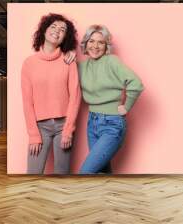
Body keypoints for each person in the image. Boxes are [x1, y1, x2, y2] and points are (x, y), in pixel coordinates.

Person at [78, 25, 144, 174]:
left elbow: (136, 84)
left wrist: (126, 106)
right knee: (102, 173)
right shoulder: (81, 67)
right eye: (91, 41)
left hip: (112, 124)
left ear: (106, 46)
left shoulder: (112, 61)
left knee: (86, 173)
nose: (95, 46)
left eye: (100, 42)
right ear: (85, 43)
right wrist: (67, 55)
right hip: (92, 123)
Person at [21, 13, 81, 174]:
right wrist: (33, 134)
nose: (57, 31)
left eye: (62, 29)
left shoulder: (69, 61)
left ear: (65, 37)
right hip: (40, 127)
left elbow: (75, 98)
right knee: (32, 174)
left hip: (64, 126)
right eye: (53, 26)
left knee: (62, 175)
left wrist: (68, 130)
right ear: (44, 30)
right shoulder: (29, 63)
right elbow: (27, 102)